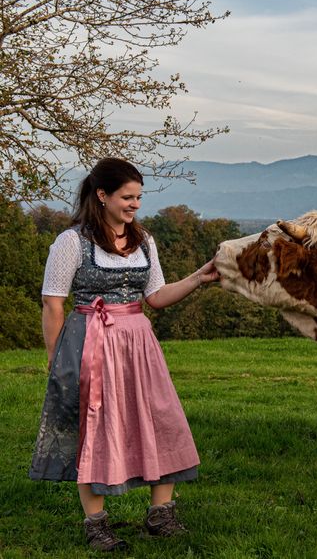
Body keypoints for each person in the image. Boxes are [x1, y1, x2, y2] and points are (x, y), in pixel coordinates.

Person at [29, 158, 219, 551]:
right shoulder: (72, 241)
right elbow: (52, 303)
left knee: (160, 417)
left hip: (138, 341)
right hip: (91, 341)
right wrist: (55, 359)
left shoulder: (144, 240)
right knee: (95, 428)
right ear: (102, 195)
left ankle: (159, 514)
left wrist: (199, 277)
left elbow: (156, 297)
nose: (135, 205)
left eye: (138, 198)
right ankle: (96, 522)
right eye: (127, 197)